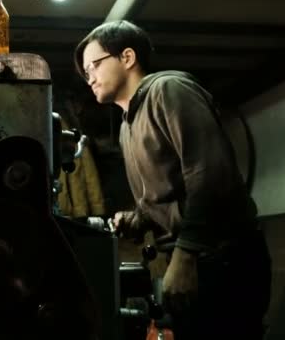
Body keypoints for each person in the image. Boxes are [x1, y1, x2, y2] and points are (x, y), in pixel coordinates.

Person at [74, 20, 271, 339]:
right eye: (85, 73)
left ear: (127, 57)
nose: (89, 78)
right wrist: (139, 218)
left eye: (93, 65)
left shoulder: (168, 90)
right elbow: (168, 191)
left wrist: (187, 254)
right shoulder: (128, 124)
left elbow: (209, 174)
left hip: (222, 258)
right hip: (188, 256)